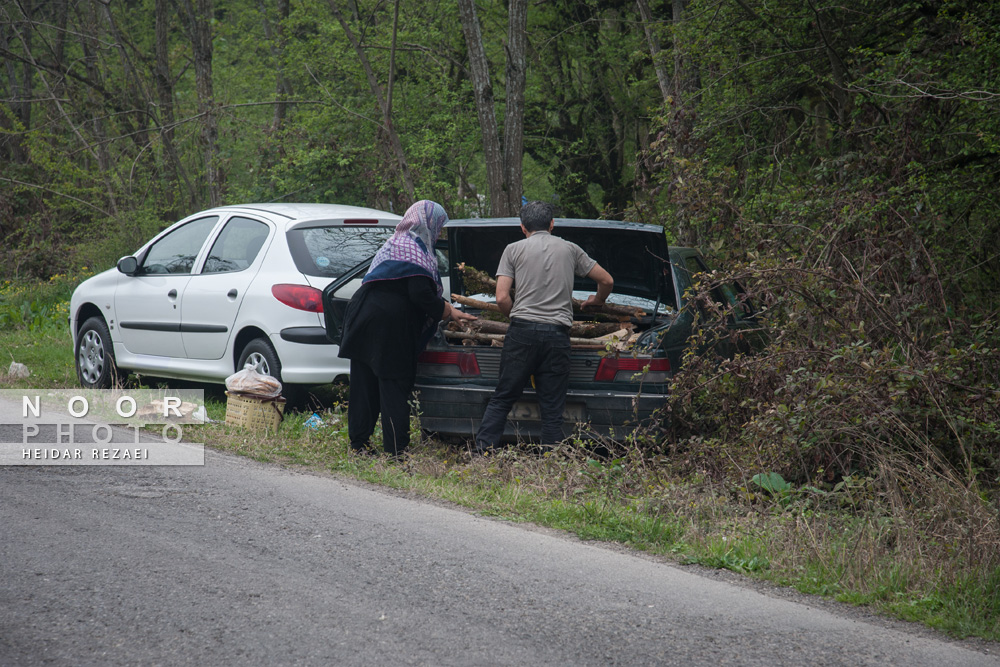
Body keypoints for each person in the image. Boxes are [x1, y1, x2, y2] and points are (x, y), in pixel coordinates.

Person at [338, 200, 476, 457]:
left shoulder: (395, 243)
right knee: (394, 386)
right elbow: (420, 294)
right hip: (389, 327)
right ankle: (396, 451)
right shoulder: (415, 251)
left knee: (364, 386)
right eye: (439, 226)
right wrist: (449, 311)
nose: (440, 232)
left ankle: (359, 445)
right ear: (429, 223)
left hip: (363, 317)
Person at [475, 201, 613, 452]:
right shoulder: (570, 249)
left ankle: (484, 454)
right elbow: (607, 280)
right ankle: (551, 461)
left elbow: (502, 298)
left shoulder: (513, 249)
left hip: (522, 333)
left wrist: (515, 317)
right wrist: (597, 300)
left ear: (522, 227)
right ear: (552, 224)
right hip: (557, 336)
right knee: (552, 406)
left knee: (503, 397)